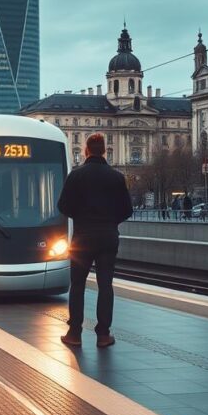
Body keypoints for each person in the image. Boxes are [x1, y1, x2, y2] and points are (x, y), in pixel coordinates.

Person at [57, 133, 133, 348]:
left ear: (86, 151)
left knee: (78, 285)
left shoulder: (76, 176)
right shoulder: (117, 177)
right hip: (108, 237)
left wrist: (81, 218)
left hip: (82, 239)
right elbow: (127, 210)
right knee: (105, 285)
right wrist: (111, 222)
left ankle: (74, 333)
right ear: (105, 151)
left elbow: (63, 206)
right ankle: (103, 335)